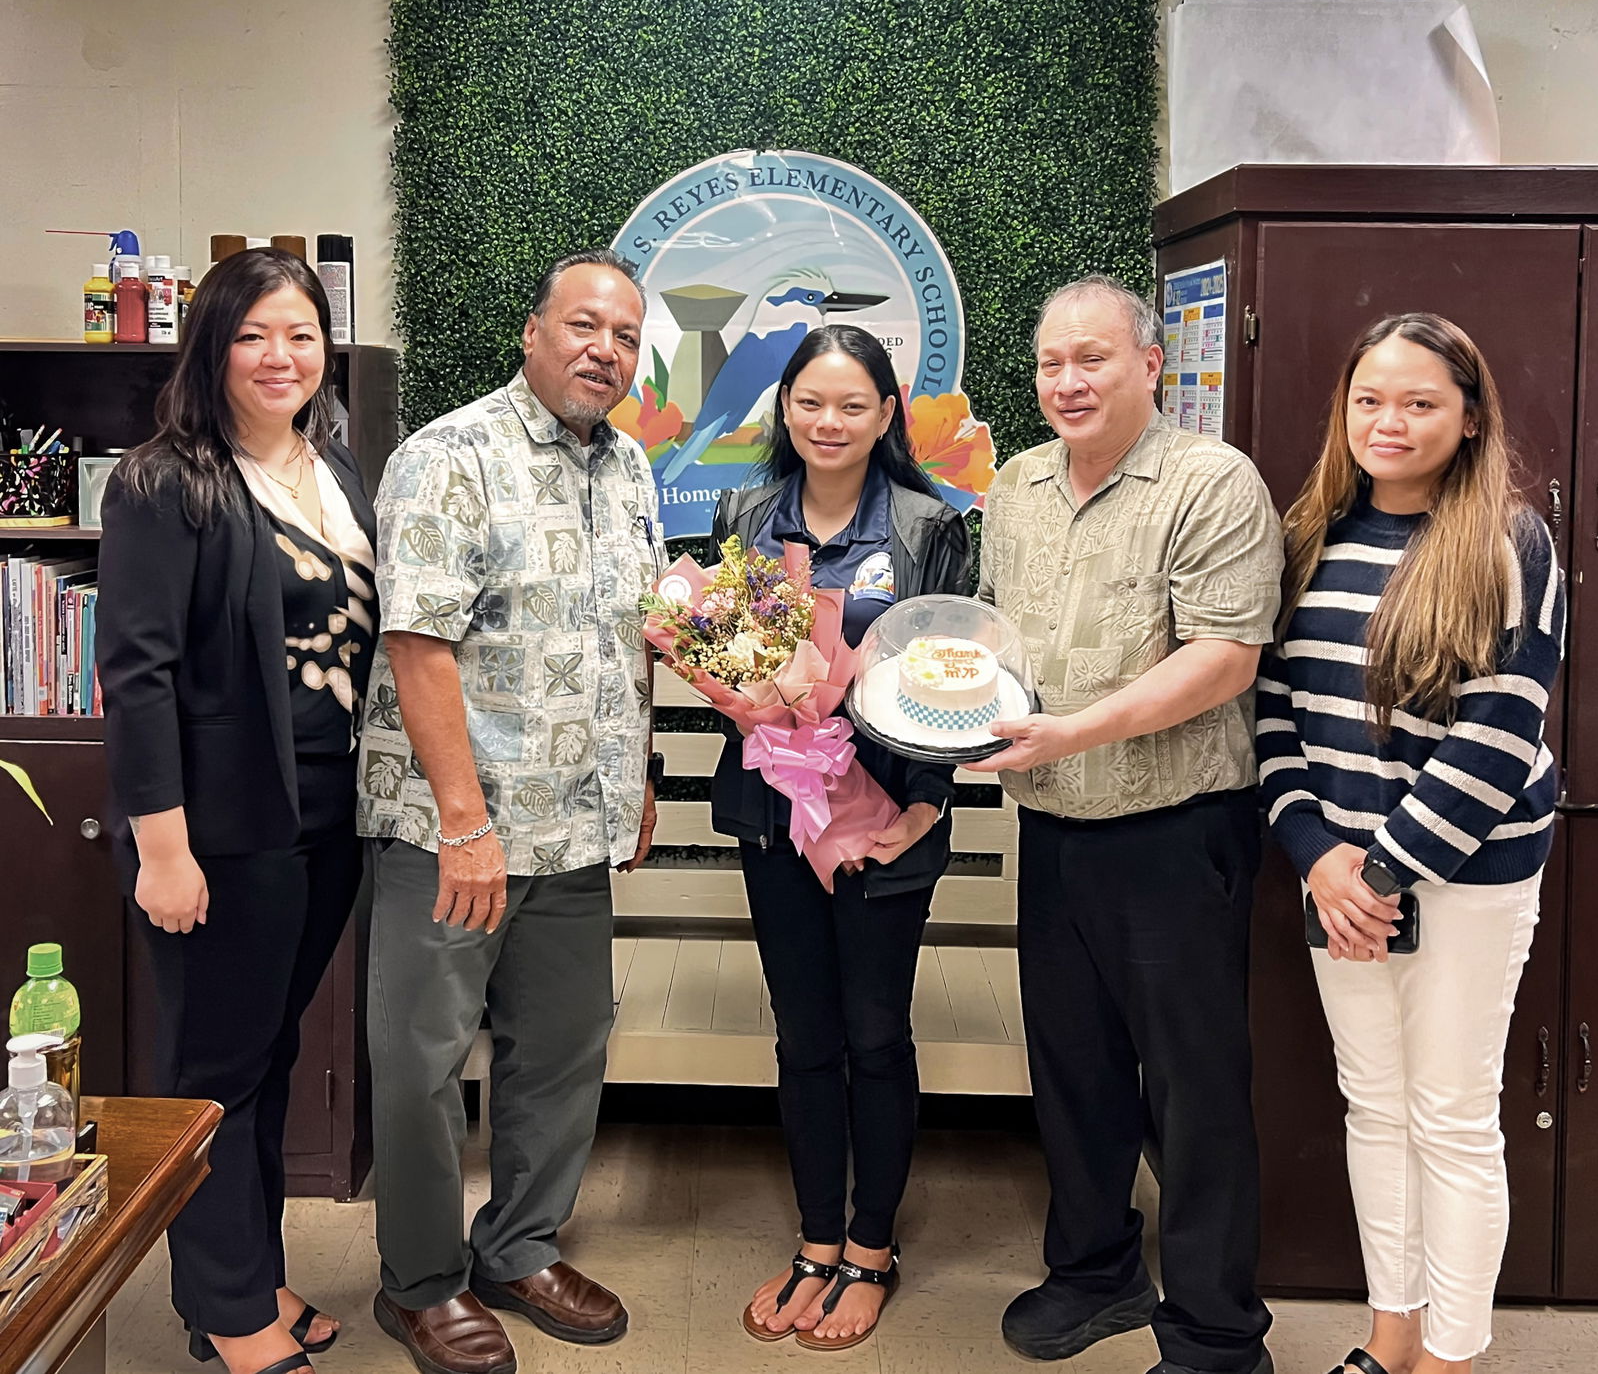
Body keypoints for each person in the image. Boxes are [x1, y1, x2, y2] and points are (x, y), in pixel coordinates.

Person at [970, 274, 1282, 1374]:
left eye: (1091, 359)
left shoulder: (1210, 482)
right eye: (1051, 362)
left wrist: (1073, 731)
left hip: (1175, 833)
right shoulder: (1015, 484)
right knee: (1074, 1069)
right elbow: (994, 636)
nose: (1067, 381)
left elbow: (1225, 658)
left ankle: (1215, 1334)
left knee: (1193, 1093)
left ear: (1150, 364)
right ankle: (1095, 1271)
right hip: (1055, 826)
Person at [356, 249, 660, 1374]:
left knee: (564, 1051)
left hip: (575, 825)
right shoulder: (451, 456)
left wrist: (638, 779)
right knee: (424, 1062)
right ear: (532, 333)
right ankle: (421, 1282)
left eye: (625, 337)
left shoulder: (629, 467)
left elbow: (630, 638)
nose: (604, 351)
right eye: (584, 326)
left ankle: (519, 1246)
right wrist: (465, 821)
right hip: (455, 832)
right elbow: (417, 643)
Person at [1256, 314, 1564, 1374]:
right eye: (1370, 400)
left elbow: (1499, 733)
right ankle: (1390, 1336)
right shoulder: (1310, 532)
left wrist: (1380, 873)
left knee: (1450, 1115)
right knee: (1375, 1109)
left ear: (1470, 418)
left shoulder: (1508, 542)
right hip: (1335, 878)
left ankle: (1451, 1355)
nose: (1389, 421)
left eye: (1420, 402)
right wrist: (1316, 855)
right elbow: (1272, 711)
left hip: (1460, 879)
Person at [98, 248, 377, 1374]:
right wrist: (161, 850)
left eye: (300, 334)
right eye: (254, 334)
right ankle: (225, 1308)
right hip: (217, 827)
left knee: (266, 1053)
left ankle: (245, 1277)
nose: (279, 356)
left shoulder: (334, 466)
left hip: (326, 810)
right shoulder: (165, 480)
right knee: (216, 1071)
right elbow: (137, 674)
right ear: (211, 345)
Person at [710, 324, 971, 1352]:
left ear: (885, 414)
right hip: (776, 821)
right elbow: (724, 657)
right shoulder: (743, 515)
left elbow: (954, 673)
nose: (830, 421)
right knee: (804, 1037)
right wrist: (764, 712)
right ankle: (817, 1239)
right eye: (810, 402)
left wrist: (919, 810)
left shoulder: (927, 523)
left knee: (874, 1033)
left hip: (885, 827)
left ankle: (871, 1249)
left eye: (853, 404)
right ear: (785, 408)